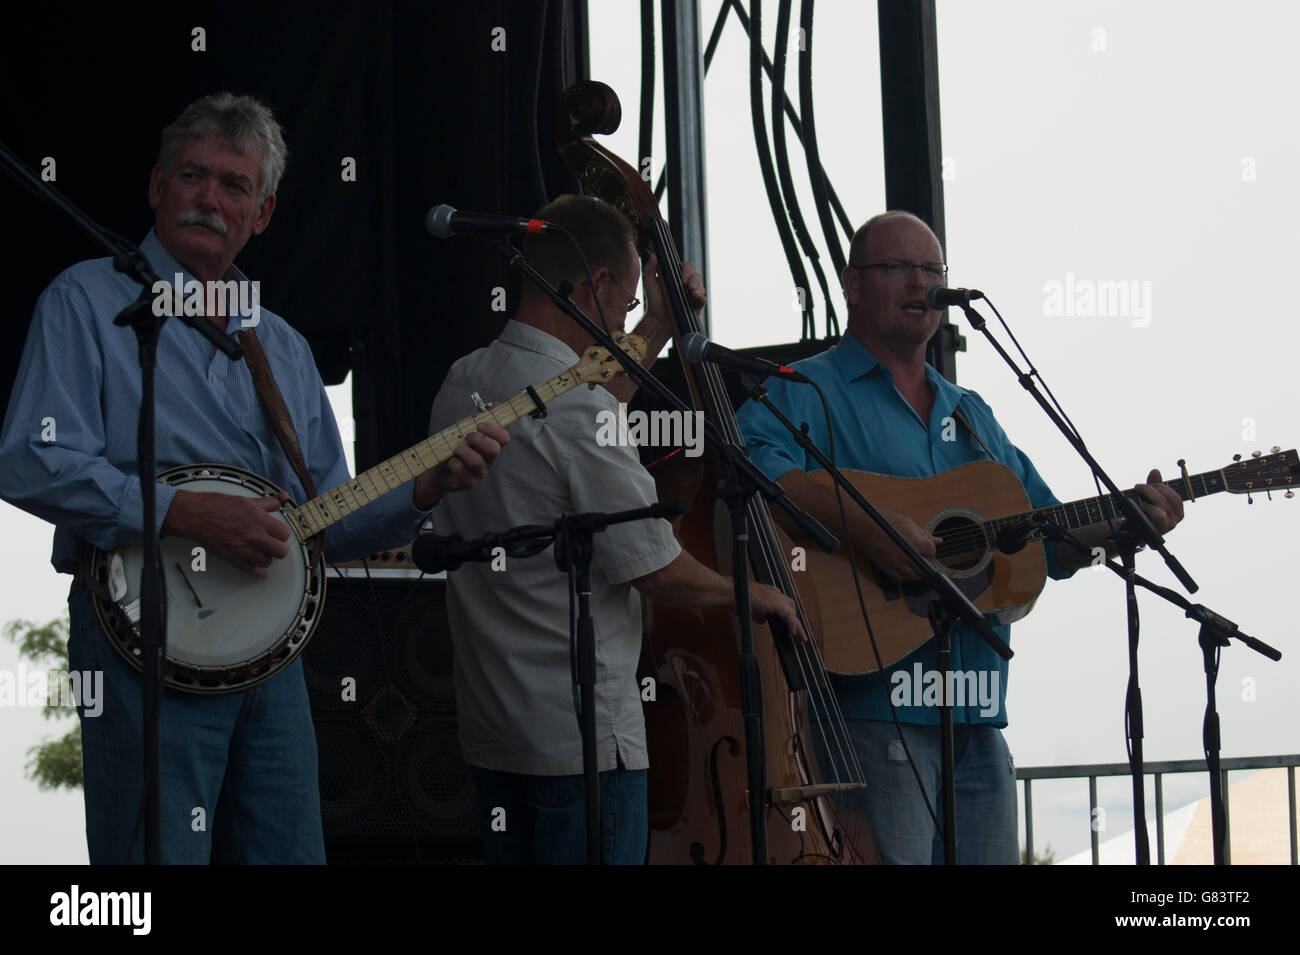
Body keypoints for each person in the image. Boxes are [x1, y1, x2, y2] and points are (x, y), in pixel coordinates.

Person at [0, 92, 507, 864]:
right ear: (156, 187)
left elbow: (326, 521)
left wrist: (424, 488)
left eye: (234, 186)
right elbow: (27, 458)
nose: (210, 198)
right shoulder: (86, 301)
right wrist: (185, 513)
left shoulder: (283, 348)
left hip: (271, 655)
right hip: (141, 637)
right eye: (193, 176)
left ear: (262, 214)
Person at [734, 210, 1184, 864]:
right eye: (899, 268)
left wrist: (1123, 526)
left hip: (978, 715)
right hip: (875, 709)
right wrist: (866, 523)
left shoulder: (971, 413)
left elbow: (1049, 538)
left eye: (933, 270)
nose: (922, 281)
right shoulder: (807, 388)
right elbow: (751, 465)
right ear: (851, 284)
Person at [428, 193, 805, 865]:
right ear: (596, 284)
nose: (624, 317)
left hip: (493, 733)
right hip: (584, 745)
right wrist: (756, 593)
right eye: (628, 302)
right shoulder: (578, 409)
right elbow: (655, 567)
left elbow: (578, 419)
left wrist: (656, 325)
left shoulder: (464, 382)